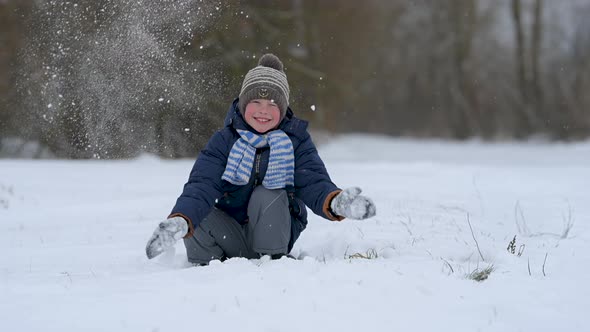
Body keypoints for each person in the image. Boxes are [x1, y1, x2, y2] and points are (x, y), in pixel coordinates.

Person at [145, 53, 376, 264]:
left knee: (267, 192)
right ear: (244, 104)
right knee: (199, 214)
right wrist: (180, 220)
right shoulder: (225, 140)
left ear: (284, 110)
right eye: (256, 102)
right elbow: (202, 184)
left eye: (272, 104)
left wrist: (335, 202)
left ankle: (272, 261)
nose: (263, 110)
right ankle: (211, 270)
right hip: (232, 233)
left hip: (275, 234)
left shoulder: (295, 141)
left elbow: (312, 180)